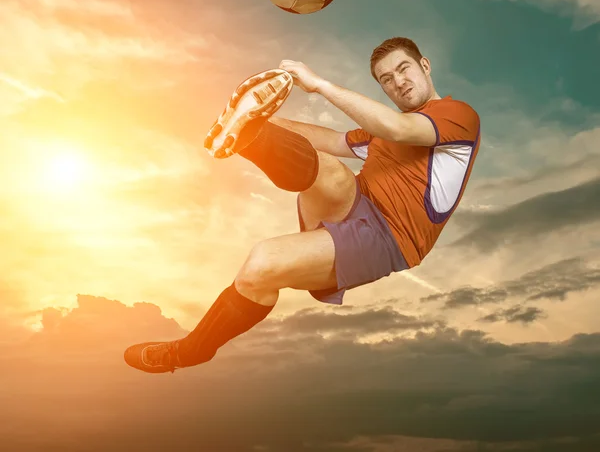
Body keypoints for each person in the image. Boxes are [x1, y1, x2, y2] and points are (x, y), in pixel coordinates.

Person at [124, 36, 481, 373]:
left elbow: (400, 130)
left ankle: (191, 351)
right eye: (386, 79)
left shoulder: (457, 115)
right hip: (353, 202)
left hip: (388, 240)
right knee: (332, 170)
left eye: (404, 69)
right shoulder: (379, 130)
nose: (398, 82)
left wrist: (319, 85)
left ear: (425, 65)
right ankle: (248, 136)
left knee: (259, 267)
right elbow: (330, 139)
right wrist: (259, 119)